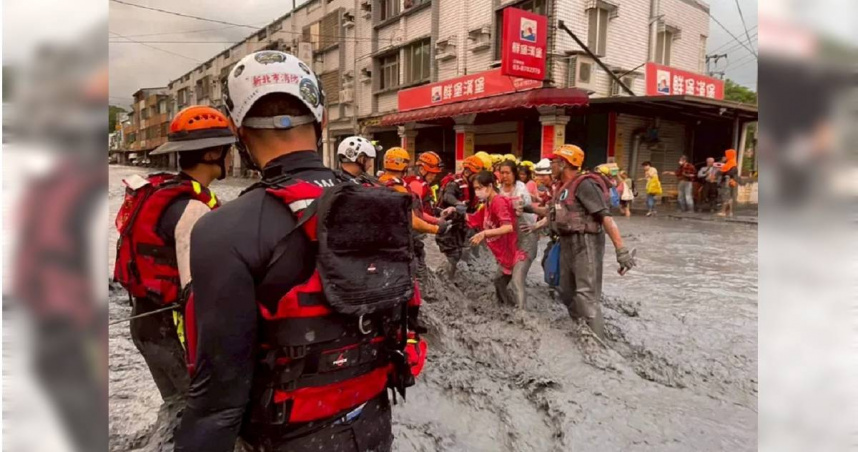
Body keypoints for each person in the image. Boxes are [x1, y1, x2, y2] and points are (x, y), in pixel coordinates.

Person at [175, 51, 421, 452]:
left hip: (288, 438)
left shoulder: (221, 230)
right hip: (374, 424)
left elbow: (217, 403)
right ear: (322, 121)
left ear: (238, 131)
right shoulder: (381, 204)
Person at [113, 106, 234, 403]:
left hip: (144, 321)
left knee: (178, 408)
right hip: (171, 331)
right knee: (199, 411)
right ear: (212, 153)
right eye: (228, 149)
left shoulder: (163, 191)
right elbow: (198, 295)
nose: (232, 156)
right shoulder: (192, 209)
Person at [525, 145, 636, 339]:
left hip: (586, 243)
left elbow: (606, 217)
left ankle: (598, 344)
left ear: (564, 163)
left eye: (553, 162)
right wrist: (528, 208)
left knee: (586, 296)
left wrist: (621, 250)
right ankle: (582, 328)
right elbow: (553, 213)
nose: (550, 167)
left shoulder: (585, 184)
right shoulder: (561, 188)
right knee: (565, 292)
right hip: (566, 243)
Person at [380, 148, 451, 280]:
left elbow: (418, 213)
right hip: (400, 239)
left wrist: (436, 220)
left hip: (387, 238)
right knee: (416, 271)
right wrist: (436, 228)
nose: (434, 177)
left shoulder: (381, 182)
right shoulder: (404, 187)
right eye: (432, 173)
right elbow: (413, 218)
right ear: (423, 169)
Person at [466, 171, 528, 306]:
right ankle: (508, 309)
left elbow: (508, 227)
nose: (477, 192)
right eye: (475, 189)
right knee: (500, 282)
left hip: (517, 248)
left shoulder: (498, 202)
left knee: (516, 283)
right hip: (507, 250)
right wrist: (455, 211)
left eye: (479, 188)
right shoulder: (487, 204)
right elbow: (473, 219)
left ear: (489, 186)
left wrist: (484, 234)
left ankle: (522, 316)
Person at [435, 155, 485, 277]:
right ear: (467, 172)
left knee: (466, 248)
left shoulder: (474, 185)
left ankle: (459, 275)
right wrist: (457, 204)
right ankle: (447, 278)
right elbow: (448, 196)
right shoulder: (454, 184)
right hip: (450, 224)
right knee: (453, 253)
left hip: (463, 223)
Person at [498, 160, 537, 309]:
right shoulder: (498, 190)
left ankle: (522, 316)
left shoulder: (520, 188)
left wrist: (519, 205)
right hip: (509, 241)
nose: (505, 176)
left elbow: (523, 201)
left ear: (515, 174)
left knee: (517, 279)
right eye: (502, 173)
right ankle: (505, 307)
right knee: (499, 280)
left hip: (526, 238)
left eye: (508, 172)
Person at [405, 151, 444, 216]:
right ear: (421, 169)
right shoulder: (416, 185)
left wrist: (442, 211)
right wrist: (436, 222)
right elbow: (415, 214)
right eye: (432, 173)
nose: (434, 176)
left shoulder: (424, 184)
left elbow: (428, 208)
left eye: (435, 174)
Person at [718, 149, 740, 217]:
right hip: (731, 182)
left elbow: (723, 172)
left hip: (727, 182)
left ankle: (723, 212)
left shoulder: (731, 164)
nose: (726, 156)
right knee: (729, 198)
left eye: (727, 155)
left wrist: (722, 170)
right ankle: (729, 212)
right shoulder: (732, 163)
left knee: (725, 197)